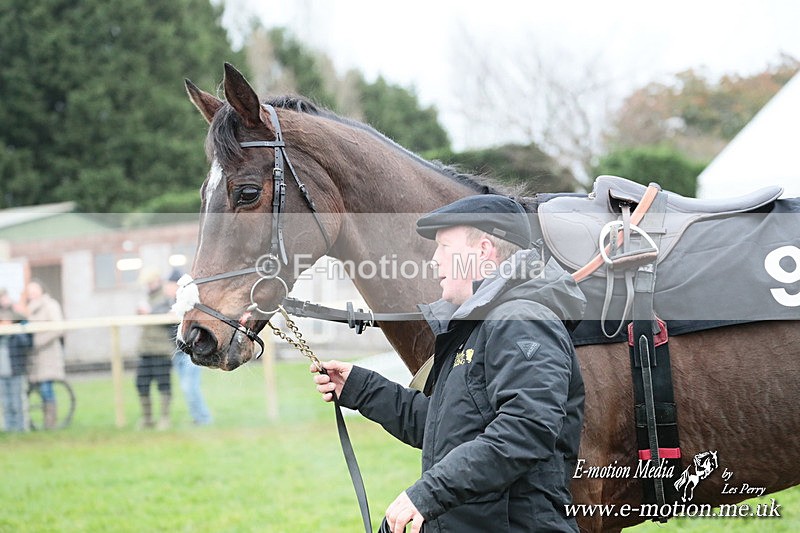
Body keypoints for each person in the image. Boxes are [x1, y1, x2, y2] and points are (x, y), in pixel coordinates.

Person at [312, 195, 587, 532]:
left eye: (444, 246)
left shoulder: (521, 319)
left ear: (484, 251)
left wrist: (428, 493)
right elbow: (447, 427)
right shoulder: (477, 327)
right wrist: (362, 389)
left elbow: (524, 431)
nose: (433, 259)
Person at [166, 270, 212, 426]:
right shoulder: (171, 301)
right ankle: (198, 418)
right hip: (178, 351)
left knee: (189, 387)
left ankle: (203, 418)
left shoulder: (188, 301)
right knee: (187, 387)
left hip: (189, 350)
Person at [135, 269, 176, 430]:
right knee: (141, 384)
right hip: (145, 349)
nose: (148, 286)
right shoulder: (146, 298)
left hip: (162, 349)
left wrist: (149, 313)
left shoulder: (166, 296)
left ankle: (165, 418)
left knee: (163, 384)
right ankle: (148, 418)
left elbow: (169, 314)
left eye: (150, 282)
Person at [25, 280, 66, 430]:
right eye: (30, 291)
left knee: (46, 388)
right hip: (34, 358)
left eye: (34, 290)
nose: (32, 294)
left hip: (48, 354)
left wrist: (38, 342)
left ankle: (50, 422)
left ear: (42, 290)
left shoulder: (50, 305)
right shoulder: (28, 309)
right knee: (38, 389)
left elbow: (58, 328)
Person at [0, 307, 32, 432]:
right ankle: (9, 428)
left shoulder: (17, 336)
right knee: (6, 403)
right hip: (2, 374)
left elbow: (26, 343)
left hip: (15, 372)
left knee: (17, 402)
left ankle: (21, 428)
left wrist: (15, 331)